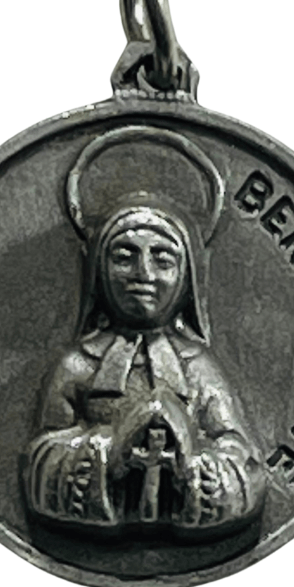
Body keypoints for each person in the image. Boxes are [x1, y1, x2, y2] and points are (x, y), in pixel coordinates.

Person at [25, 202, 266, 534]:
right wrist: (112, 450)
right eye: (124, 258)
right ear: (99, 271)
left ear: (186, 277)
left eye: (163, 260)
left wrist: (188, 460)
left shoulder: (197, 367)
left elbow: (241, 455)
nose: (144, 274)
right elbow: (41, 457)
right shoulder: (79, 365)